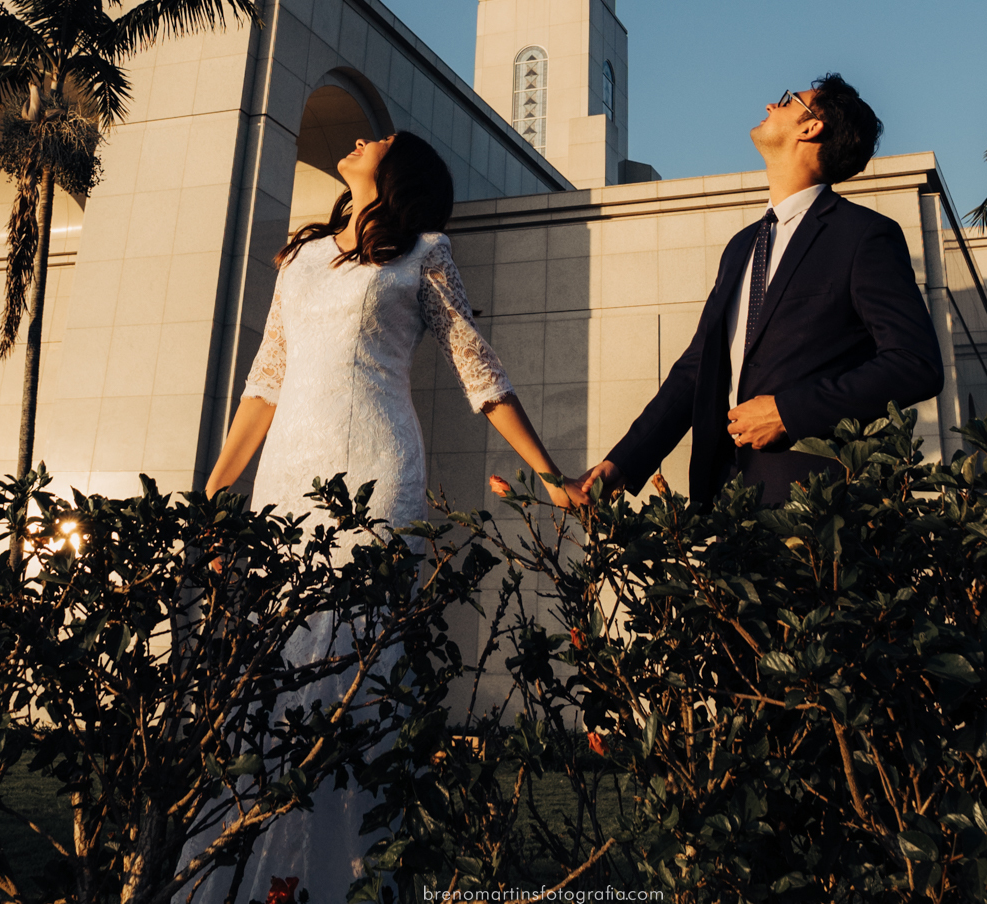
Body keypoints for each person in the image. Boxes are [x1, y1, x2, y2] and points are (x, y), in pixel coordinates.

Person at [185, 130, 582, 900]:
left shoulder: (425, 253)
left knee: (354, 663)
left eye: (378, 139)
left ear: (398, 171)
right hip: (286, 477)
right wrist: (212, 494)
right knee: (280, 661)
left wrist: (551, 475)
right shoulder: (297, 259)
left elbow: (481, 370)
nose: (360, 138)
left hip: (377, 470)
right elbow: (265, 381)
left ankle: (351, 878)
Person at [577, 74, 945, 509]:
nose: (772, 105)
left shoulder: (864, 236)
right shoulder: (741, 246)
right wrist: (621, 464)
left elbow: (915, 364)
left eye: (790, 101)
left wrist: (791, 412)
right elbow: (696, 371)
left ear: (812, 128)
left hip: (815, 510)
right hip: (725, 500)